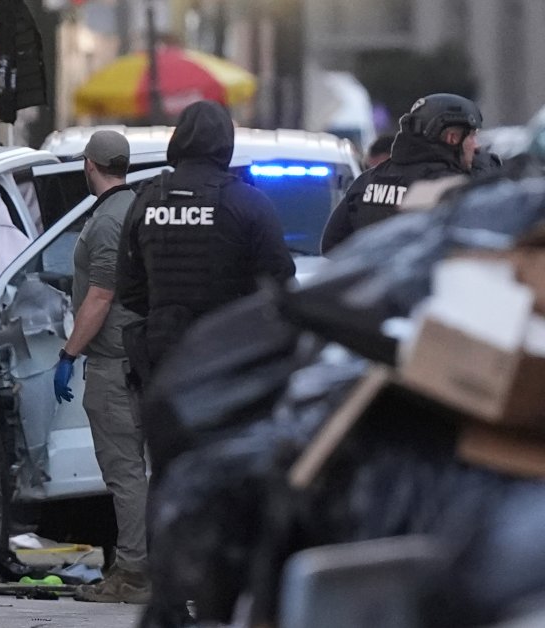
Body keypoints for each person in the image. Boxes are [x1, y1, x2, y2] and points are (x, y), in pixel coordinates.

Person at [117, 99, 295, 410]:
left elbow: (128, 288)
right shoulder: (249, 203)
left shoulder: (145, 200)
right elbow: (280, 280)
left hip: (164, 353)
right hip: (230, 352)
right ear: (227, 143)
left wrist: (169, 310)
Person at [50, 130, 151, 604]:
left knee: (125, 472)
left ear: (88, 164)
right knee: (141, 471)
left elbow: (101, 295)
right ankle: (142, 565)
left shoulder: (110, 219)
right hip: (140, 356)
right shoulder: (137, 207)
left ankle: (132, 573)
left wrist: (68, 354)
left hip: (115, 360)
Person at [321, 93, 483, 253]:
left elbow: (331, 246)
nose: (477, 146)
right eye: (472, 137)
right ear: (452, 138)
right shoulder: (452, 190)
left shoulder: (366, 182)